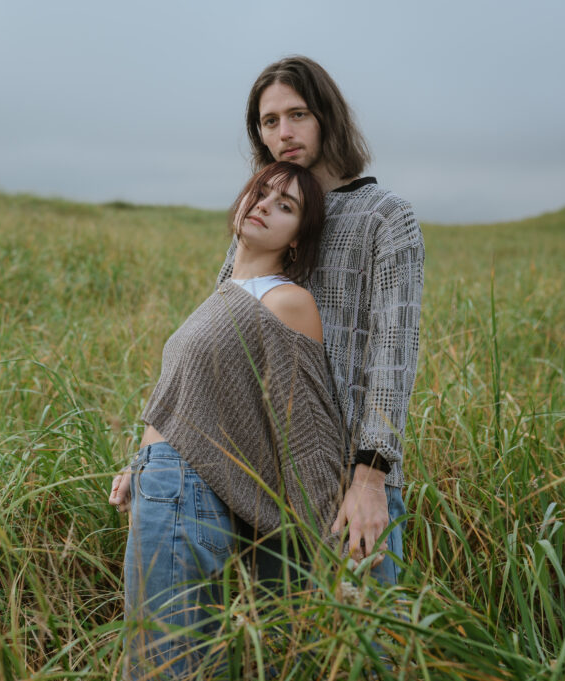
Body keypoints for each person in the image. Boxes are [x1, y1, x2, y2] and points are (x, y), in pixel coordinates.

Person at [110, 161, 346, 678]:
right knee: (168, 655)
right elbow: (185, 399)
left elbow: (305, 422)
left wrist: (333, 525)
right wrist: (138, 465)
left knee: (163, 663)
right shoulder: (224, 294)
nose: (264, 205)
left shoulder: (287, 300)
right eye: (260, 193)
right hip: (164, 481)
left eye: (285, 207)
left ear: (296, 240)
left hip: (189, 490)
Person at [217, 55, 425, 584]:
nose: (284, 133)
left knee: (365, 652)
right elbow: (211, 344)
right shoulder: (263, 216)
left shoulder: (384, 214)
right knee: (277, 653)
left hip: (351, 486)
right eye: (269, 122)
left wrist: (370, 480)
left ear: (326, 116)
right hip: (263, 483)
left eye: (298, 114)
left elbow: (393, 355)